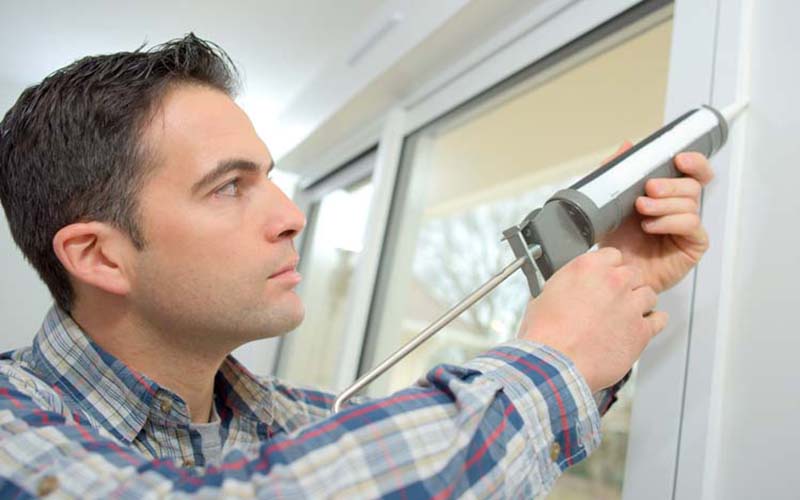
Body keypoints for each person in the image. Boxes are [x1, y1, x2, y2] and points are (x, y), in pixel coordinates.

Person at [0, 34, 713, 498]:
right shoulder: (14, 429)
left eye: (270, 177)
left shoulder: (303, 424)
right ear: (98, 255)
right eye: (229, 186)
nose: (290, 215)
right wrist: (548, 360)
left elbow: (439, 469)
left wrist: (617, 278)